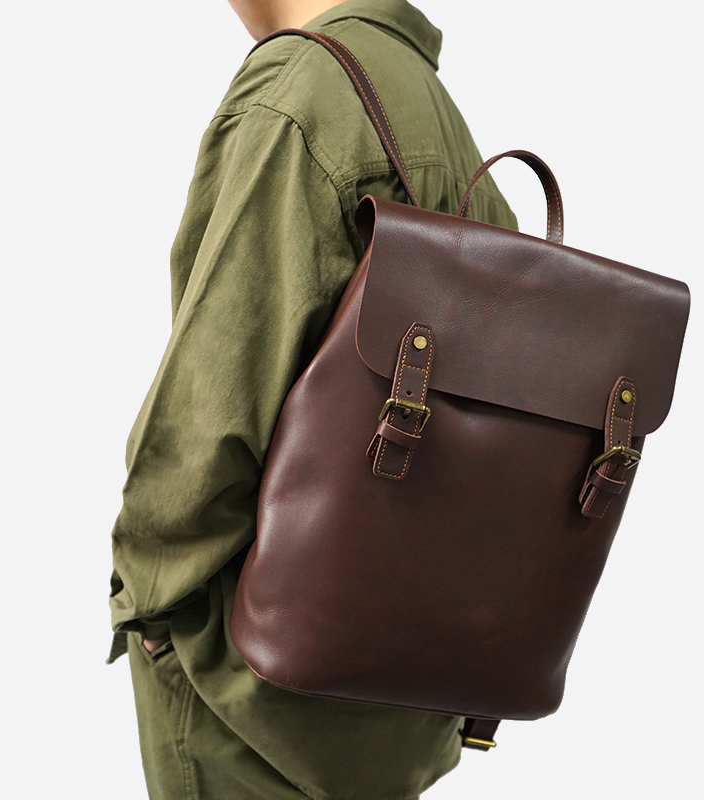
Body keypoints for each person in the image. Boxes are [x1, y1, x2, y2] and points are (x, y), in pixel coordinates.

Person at [106, 0, 518, 797]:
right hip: (400, 691)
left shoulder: (302, 90)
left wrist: (148, 602)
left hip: (251, 699)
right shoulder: (431, 105)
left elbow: (210, 409)